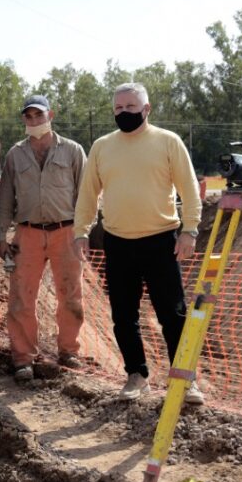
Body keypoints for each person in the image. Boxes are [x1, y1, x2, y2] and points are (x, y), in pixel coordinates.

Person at [73, 82, 204, 404]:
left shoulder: (168, 142)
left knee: (173, 315)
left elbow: (189, 191)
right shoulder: (102, 147)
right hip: (118, 243)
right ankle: (136, 374)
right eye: (118, 108)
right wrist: (81, 232)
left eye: (130, 107)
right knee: (124, 316)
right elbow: (88, 195)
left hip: (161, 242)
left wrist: (190, 231)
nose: (124, 113)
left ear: (146, 109)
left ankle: (186, 380)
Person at [0, 94, 87, 382]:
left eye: (39, 115)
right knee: (21, 298)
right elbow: (6, 198)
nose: (34, 121)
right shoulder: (15, 154)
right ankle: (23, 358)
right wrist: (0, 235)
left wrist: (83, 232)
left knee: (70, 294)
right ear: (24, 119)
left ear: (51, 115)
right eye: (29, 116)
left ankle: (68, 351)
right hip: (28, 233)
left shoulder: (72, 151)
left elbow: (86, 194)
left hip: (66, 231)